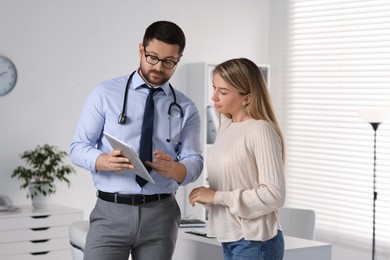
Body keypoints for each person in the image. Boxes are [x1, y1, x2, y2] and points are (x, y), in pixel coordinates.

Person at [70, 21, 203, 260]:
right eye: (152, 57)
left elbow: (195, 161)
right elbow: (78, 148)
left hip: (161, 215)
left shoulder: (185, 108)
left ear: (178, 60)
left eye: (168, 62)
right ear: (141, 50)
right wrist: (102, 160)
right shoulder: (104, 94)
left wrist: (177, 169)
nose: (159, 67)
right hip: (111, 212)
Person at [189, 58, 286, 260]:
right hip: (230, 237)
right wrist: (206, 197)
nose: (214, 97)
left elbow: (274, 195)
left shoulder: (260, 130)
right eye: (214, 88)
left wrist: (216, 197)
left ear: (247, 98)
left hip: (255, 240)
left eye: (223, 92)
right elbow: (230, 183)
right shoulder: (227, 126)